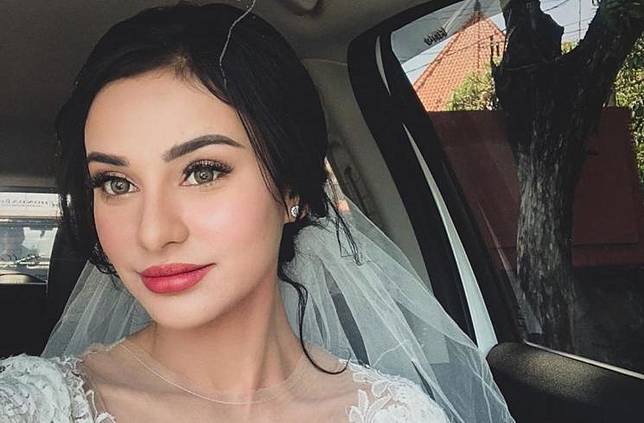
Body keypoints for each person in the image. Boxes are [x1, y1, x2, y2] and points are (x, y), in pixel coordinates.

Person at [0, 3, 515, 422]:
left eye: (203, 171)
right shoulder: (32, 407)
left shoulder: (398, 415)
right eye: (117, 183)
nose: (153, 232)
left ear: (292, 190)